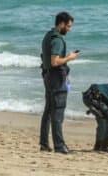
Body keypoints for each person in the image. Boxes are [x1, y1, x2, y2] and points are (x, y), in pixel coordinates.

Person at [39, 12, 79, 154]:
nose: (69, 29)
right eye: (68, 26)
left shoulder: (48, 36)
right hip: (56, 79)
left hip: (48, 77)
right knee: (57, 112)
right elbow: (54, 61)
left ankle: (44, 144)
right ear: (61, 23)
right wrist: (70, 57)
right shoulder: (57, 39)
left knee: (49, 111)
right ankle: (59, 146)